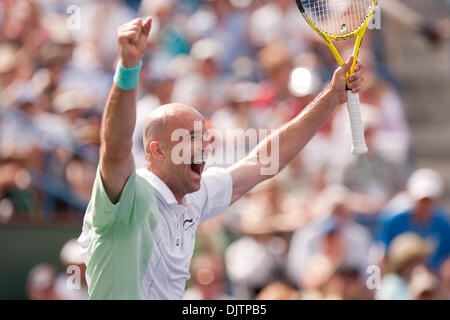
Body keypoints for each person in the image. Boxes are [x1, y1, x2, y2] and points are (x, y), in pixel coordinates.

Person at [77, 16, 363, 300]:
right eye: (191, 137)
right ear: (157, 150)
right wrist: (128, 68)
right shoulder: (130, 195)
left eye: (206, 136)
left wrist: (331, 97)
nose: (206, 144)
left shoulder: (195, 196)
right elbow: (114, 148)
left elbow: (264, 161)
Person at [378, 168, 450, 270]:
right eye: (422, 201)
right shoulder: (394, 221)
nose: (425, 205)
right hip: (400, 277)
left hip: (434, 278)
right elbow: (382, 255)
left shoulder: (443, 224)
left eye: (429, 201)